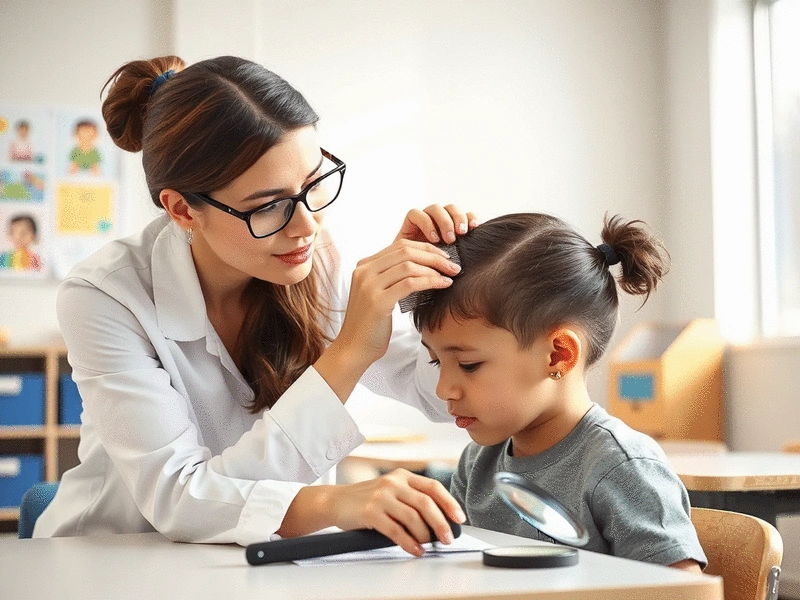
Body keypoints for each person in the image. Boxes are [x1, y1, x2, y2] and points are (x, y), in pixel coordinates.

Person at [34, 55, 475, 555]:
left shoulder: (318, 257)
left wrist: (445, 302)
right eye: (268, 205)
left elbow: (444, 395)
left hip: (258, 562)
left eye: (313, 184)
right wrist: (335, 497)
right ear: (182, 209)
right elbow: (179, 499)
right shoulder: (105, 295)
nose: (306, 225)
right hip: (113, 559)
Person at [411, 212, 707, 572]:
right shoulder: (477, 465)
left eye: (468, 364)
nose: (443, 389)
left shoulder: (621, 468)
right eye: (435, 362)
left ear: (558, 355)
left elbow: (690, 592)